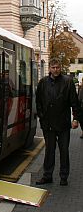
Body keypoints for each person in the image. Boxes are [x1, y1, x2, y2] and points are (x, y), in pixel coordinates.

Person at [35, 58, 80, 186]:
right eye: (53, 67)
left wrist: (75, 118)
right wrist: (41, 117)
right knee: (49, 151)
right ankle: (47, 175)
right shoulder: (43, 82)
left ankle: (64, 176)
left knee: (64, 151)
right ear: (49, 68)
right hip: (48, 123)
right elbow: (38, 101)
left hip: (63, 123)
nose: (55, 70)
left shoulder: (68, 82)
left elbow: (74, 102)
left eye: (57, 67)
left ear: (60, 68)